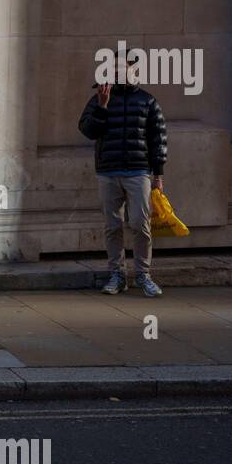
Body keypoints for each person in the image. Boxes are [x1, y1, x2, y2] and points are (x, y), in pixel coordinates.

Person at [77, 53, 168, 297]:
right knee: (112, 226)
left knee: (140, 223)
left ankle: (143, 275)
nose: (118, 72)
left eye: (123, 68)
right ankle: (117, 275)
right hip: (108, 171)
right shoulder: (99, 98)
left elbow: (158, 140)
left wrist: (158, 175)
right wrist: (103, 107)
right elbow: (87, 130)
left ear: (134, 70)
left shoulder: (147, 101)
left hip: (139, 172)